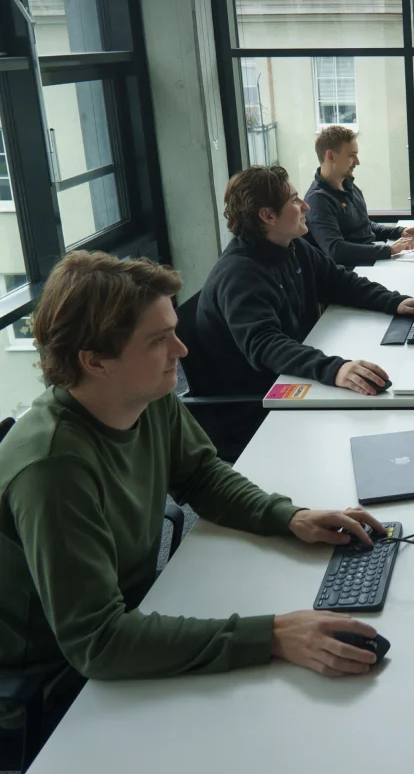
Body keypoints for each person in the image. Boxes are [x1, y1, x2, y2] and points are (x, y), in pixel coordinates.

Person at [0, 251, 390, 751]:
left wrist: (289, 516)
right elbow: (98, 643)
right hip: (59, 685)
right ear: (95, 361)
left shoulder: (148, 397)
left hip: (136, 611)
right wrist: (273, 635)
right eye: (159, 340)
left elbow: (201, 475)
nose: (182, 351)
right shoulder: (52, 467)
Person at [193, 165, 414, 460]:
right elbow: (266, 345)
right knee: (373, 416)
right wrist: (334, 369)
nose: (306, 205)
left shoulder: (291, 246)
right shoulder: (240, 274)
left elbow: (339, 281)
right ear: (268, 216)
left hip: (289, 377)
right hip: (259, 402)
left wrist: (394, 301)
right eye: (295, 201)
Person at [304, 126, 414, 267]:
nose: (357, 161)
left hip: (370, 263)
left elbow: (365, 226)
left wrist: (400, 232)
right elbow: (336, 250)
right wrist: (389, 250)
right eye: (351, 155)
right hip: (354, 273)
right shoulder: (318, 200)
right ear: (331, 156)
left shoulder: (348, 186)